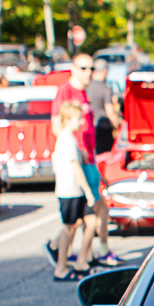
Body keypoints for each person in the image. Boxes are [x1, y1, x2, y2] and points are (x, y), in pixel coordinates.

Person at [53, 53, 110, 261]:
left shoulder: (85, 92)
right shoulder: (65, 91)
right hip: (79, 161)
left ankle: (82, 255)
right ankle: (70, 254)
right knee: (83, 216)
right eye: (84, 68)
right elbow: (57, 126)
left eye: (91, 68)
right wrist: (76, 153)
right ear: (73, 69)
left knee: (90, 214)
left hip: (89, 159)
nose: (89, 73)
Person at [49, 102, 98, 279]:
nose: (82, 122)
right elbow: (75, 167)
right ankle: (60, 268)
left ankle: (78, 262)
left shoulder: (69, 138)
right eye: (78, 118)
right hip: (69, 190)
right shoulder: (66, 139)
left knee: (86, 222)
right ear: (68, 119)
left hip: (73, 190)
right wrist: (88, 191)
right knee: (68, 228)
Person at [87, 57, 122, 152]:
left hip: (90, 127)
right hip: (104, 130)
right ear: (105, 71)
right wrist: (117, 127)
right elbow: (110, 113)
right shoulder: (106, 89)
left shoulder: (87, 87)